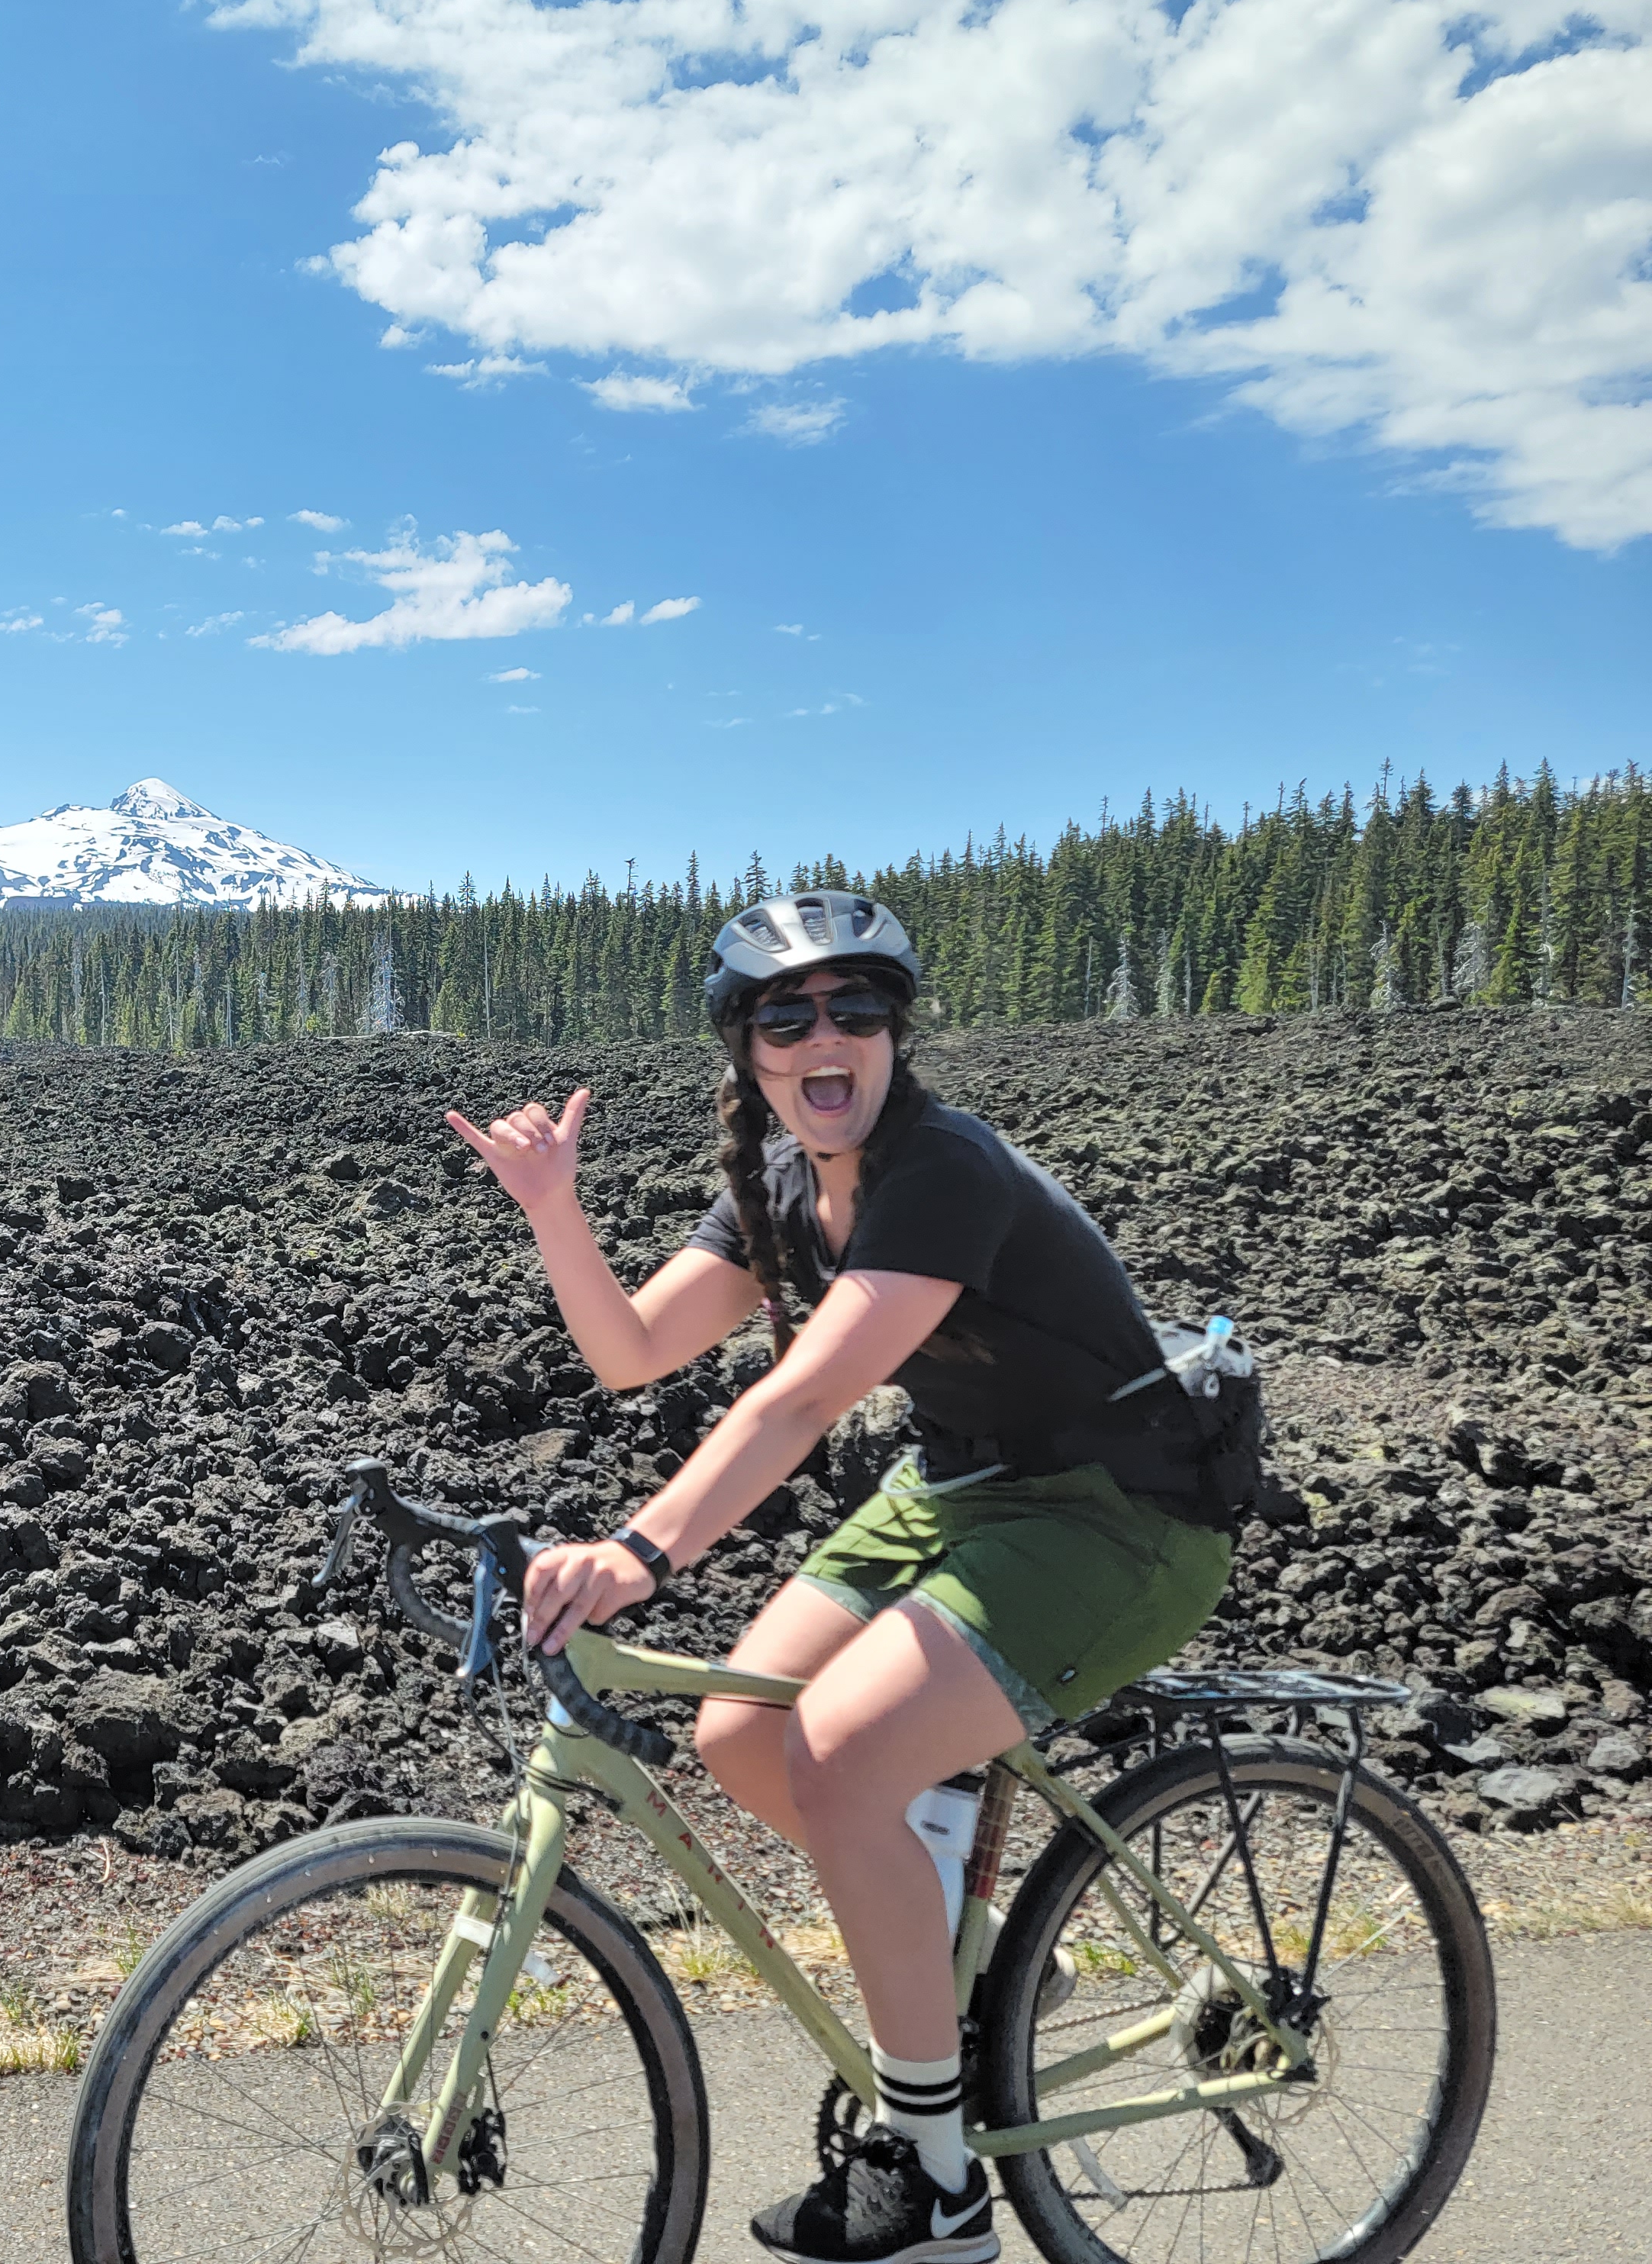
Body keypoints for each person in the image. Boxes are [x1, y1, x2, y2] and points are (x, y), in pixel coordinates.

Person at [443, 890, 1245, 2264]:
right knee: (741, 1732)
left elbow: (802, 1402)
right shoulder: (774, 1187)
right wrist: (553, 1209)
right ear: (748, 1051)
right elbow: (633, 1351)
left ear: (894, 1035)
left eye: (857, 1008)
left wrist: (640, 1553)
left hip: (1122, 1512)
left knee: (839, 1761)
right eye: (787, 1014)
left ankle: (937, 2185)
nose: (827, 1035)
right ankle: (958, 1986)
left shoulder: (945, 1171)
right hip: (961, 1484)